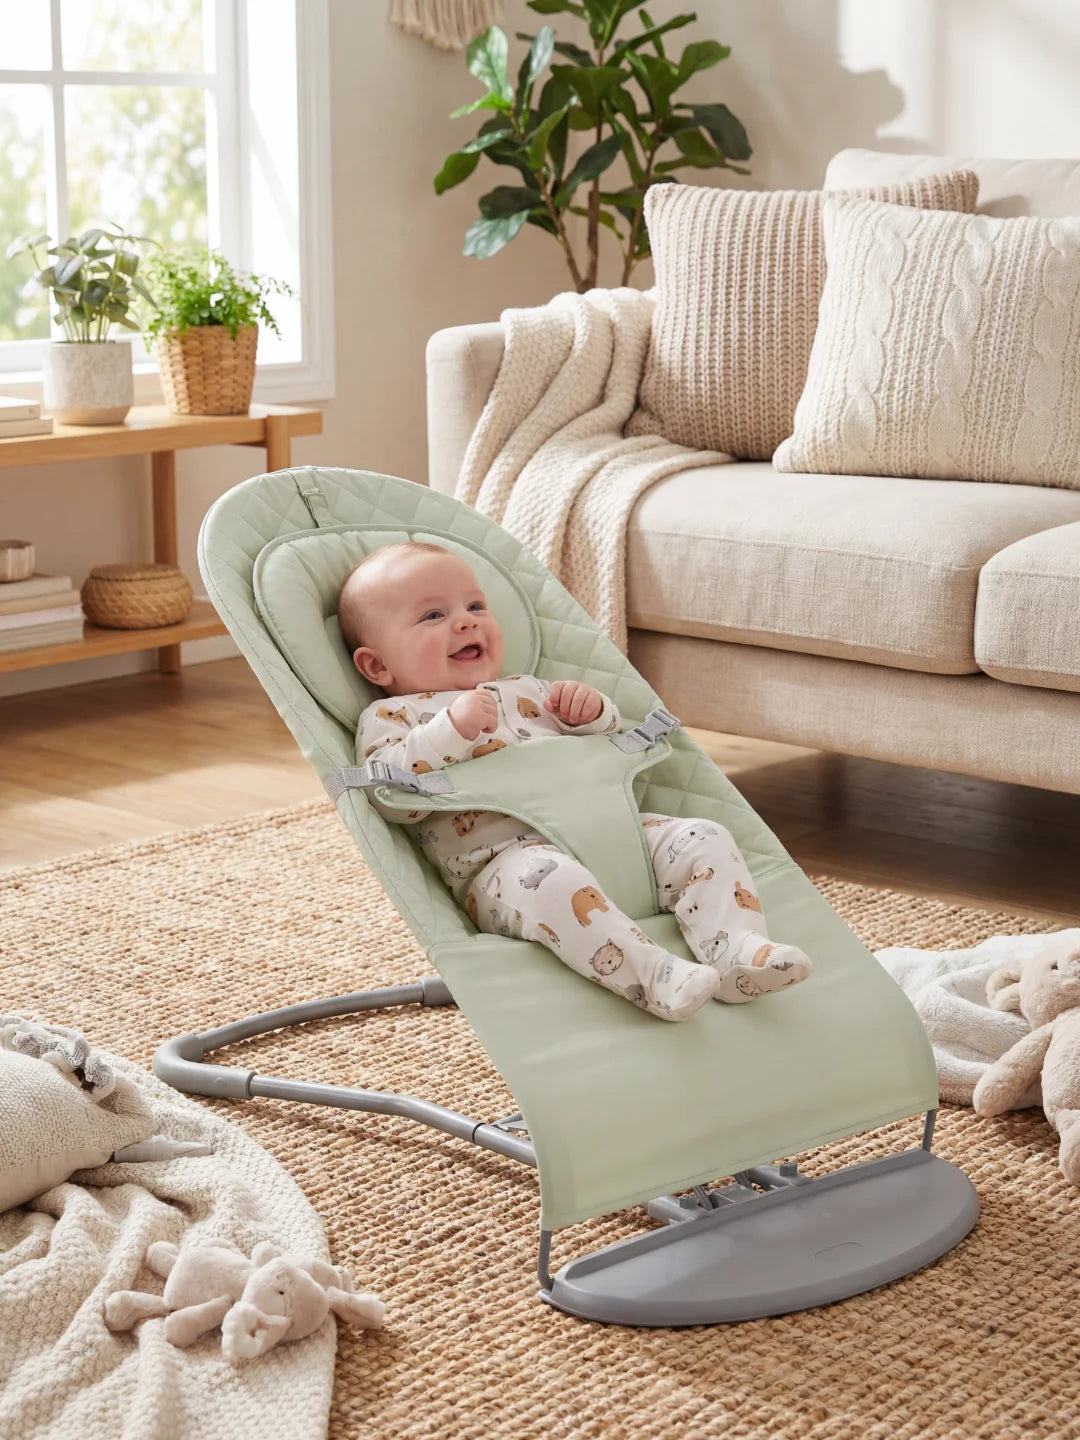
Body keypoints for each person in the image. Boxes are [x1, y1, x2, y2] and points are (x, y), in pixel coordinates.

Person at [338, 541, 812, 1022]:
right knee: (550, 880)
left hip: (613, 836)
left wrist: (590, 713)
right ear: (377, 666)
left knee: (703, 837)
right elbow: (391, 797)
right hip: (507, 866)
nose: (465, 621)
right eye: (433, 616)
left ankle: (736, 951)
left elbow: (607, 743)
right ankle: (653, 977)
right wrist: (449, 731)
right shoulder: (392, 716)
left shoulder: (528, 689)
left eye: (475, 606)